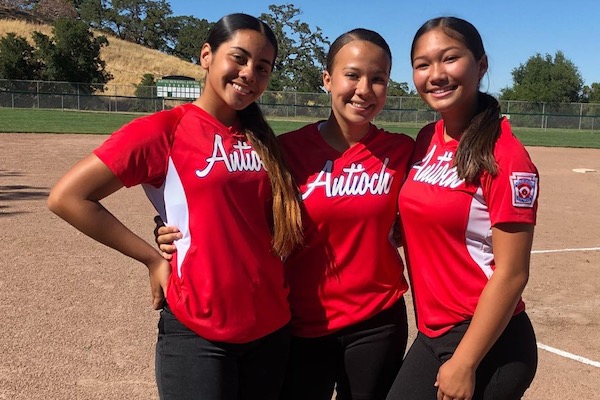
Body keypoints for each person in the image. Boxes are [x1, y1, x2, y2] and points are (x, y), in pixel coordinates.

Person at [48, 13, 303, 400]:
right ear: (206, 55)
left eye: (262, 67)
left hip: (270, 328)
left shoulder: (265, 142)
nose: (249, 73)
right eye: (239, 58)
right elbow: (68, 197)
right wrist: (153, 258)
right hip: (198, 330)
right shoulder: (164, 130)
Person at [157, 28, 415, 400]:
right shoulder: (283, 152)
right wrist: (164, 233)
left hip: (377, 322)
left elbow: (431, 207)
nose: (364, 89)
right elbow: (231, 208)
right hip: (298, 322)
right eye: (353, 75)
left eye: (378, 80)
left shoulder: (401, 151)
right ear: (327, 79)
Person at [386, 16, 539, 400]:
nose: (436, 74)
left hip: (487, 340)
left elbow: (513, 273)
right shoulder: (426, 139)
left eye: (450, 58)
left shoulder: (505, 155)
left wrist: (466, 362)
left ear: (481, 65)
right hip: (433, 331)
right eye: (423, 64)